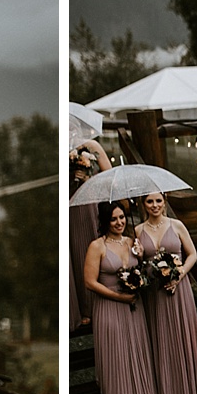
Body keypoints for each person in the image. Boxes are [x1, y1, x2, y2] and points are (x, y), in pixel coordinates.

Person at [135, 191, 197, 394]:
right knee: (161, 337)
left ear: (164, 202)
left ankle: (189, 389)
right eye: (150, 201)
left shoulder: (177, 225)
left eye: (158, 200)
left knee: (181, 334)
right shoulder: (138, 230)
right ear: (144, 204)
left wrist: (179, 275)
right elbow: (137, 265)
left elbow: (192, 254)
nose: (155, 205)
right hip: (155, 293)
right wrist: (138, 254)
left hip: (178, 290)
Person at [83, 201, 156, 394]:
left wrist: (141, 258)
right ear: (105, 221)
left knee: (137, 348)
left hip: (134, 306)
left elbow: (143, 273)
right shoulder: (97, 246)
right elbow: (89, 282)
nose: (119, 222)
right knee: (118, 352)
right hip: (110, 305)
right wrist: (118, 297)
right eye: (114, 219)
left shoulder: (133, 242)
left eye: (122, 217)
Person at [69, 138, 111, 326]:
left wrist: (88, 179)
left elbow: (109, 176)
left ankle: (98, 305)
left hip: (89, 204)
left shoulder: (91, 146)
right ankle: (82, 308)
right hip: (69, 203)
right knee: (75, 252)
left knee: (90, 247)